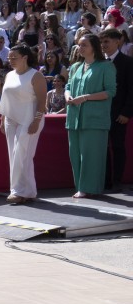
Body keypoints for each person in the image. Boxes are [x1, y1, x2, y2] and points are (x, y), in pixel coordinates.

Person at [65, 33, 116, 199]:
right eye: (79, 45)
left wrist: (86, 97)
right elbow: (68, 85)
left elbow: (110, 91)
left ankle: (89, 188)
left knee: (91, 155)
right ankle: (80, 186)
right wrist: (67, 96)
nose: (80, 48)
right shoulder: (75, 67)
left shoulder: (105, 66)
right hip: (74, 118)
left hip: (95, 119)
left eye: (84, 45)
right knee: (75, 154)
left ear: (94, 47)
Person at [0, 45, 48, 204]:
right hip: (10, 119)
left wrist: (37, 120)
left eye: (14, 58)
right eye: (9, 58)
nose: (11, 61)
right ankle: (27, 191)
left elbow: (42, 101)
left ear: (25, 58)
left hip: (30, 118)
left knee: (22, 154)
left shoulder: (36, 76)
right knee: (13, 154)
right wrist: (2, 119)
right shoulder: (9, 75)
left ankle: (18, 191)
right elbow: (5, 99)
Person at [100, 28, 133, 190]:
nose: (103, 45)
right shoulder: (99, 63)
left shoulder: (128, 62)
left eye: (107, 41)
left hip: (119, 114)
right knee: (102, 148)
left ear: (117, 41)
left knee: (118, 146)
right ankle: (106, 180)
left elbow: (131, 90)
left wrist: (126, 112)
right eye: (102, 42)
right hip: (101, 113)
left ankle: (118, 180)